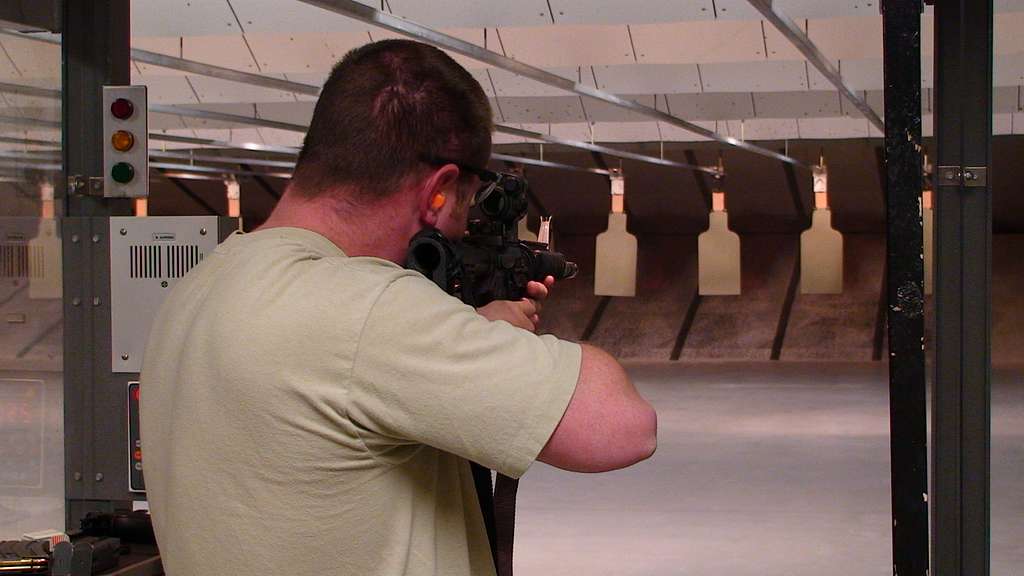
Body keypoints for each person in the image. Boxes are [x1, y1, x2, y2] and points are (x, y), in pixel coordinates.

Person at [140, 39, 656, 576]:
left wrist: (466, 328)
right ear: (439, 191)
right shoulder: (367, 308)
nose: (462, 228)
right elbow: (623, 429)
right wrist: (490, 332)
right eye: (464, 205)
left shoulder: (198, 288)